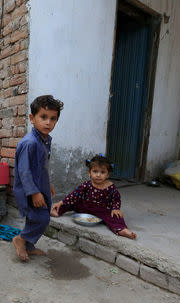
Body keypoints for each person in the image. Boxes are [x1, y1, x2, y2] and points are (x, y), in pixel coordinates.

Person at [12, 95, 64, 261]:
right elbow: (24, 171)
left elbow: (42, 167)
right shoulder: (30, 143)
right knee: (42, 218)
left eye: (53, 118)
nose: (48, 122)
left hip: (39, 186)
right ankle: (20, 240)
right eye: (43, 117)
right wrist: (34, 193)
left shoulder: (45, 140)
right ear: (32, 118)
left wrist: (47, 185)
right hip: (29, 189)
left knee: (34, 217)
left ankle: (29, 245)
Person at [50, 155, 137, 239]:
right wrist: (61, 202)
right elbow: (74, 195)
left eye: (102, 172)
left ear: (108, 175)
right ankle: (56, 211)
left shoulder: (110, 187)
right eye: (95, 171)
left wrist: (115, 208)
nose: (98, 175)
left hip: (102, 210)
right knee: (71, 203)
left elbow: (116, 198)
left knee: (116, 216)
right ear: (89, 173)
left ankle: (122, 230)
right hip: (85, 207)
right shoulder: (86, 185)